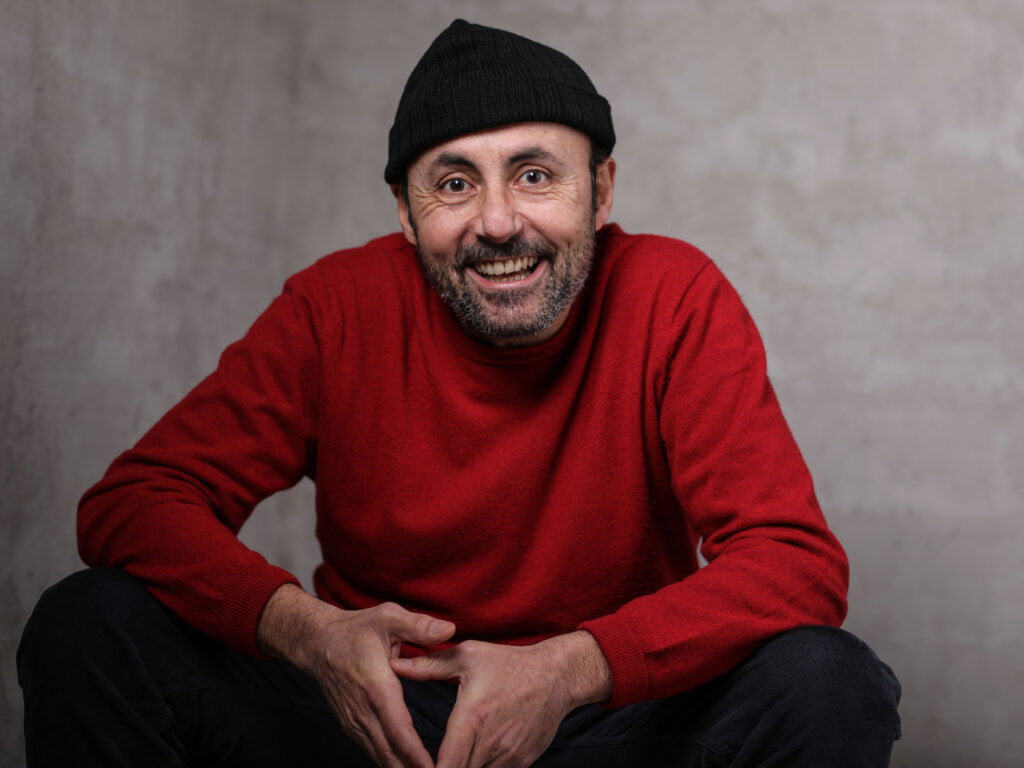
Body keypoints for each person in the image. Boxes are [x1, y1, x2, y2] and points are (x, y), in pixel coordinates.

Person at [18, 19, 901, 768]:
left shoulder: (673, 297)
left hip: (606, 717)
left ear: (600, 192)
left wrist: (567, 670)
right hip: (376, 721)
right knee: (90, 624)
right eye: (453, 184)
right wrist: (309, 633)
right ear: (406, 216)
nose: (498, 222)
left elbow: (795, 563)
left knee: (829, 679)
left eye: (535, 174)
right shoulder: (336, 307)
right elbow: (135, 503)